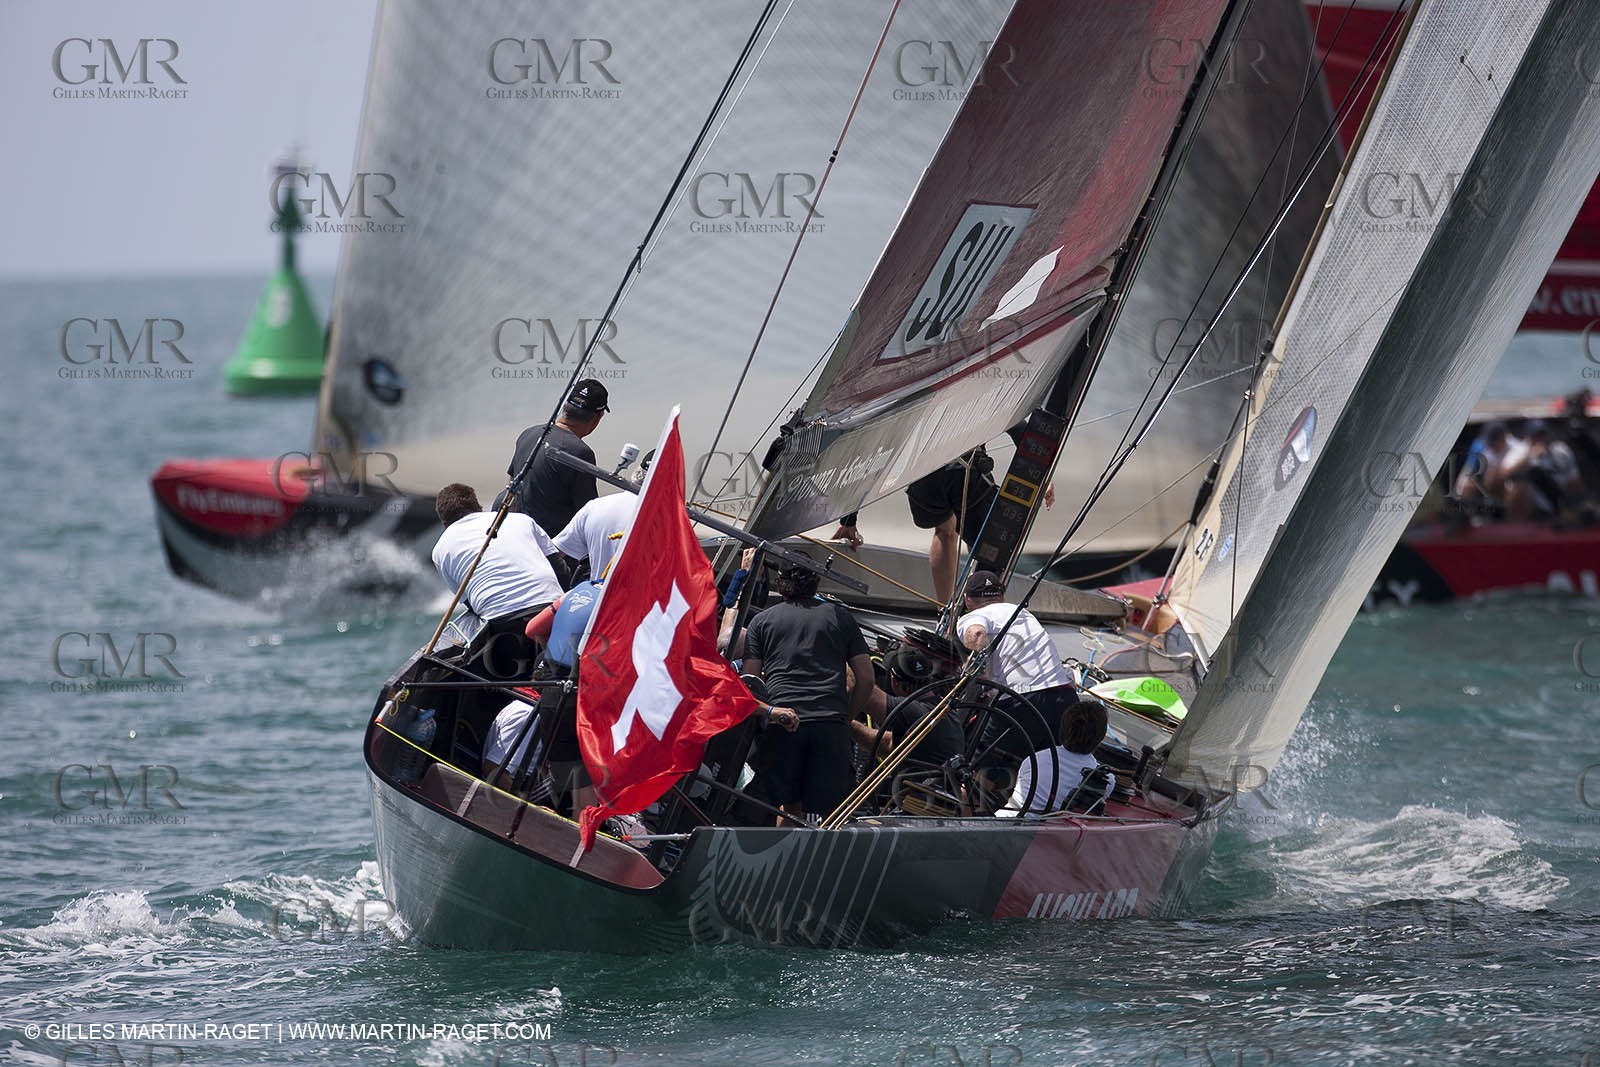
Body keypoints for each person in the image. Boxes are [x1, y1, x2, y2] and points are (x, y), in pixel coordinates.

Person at [742, 561, 877, 823]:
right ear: (815, 583)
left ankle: (786, 863)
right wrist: (846, 716)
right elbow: (867, 678)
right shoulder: (841, 617)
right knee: (832, 817)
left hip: (784, 723)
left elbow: (750, 682)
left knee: (788, 807)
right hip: (830, 725)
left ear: (780, 584)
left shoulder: (761, 622)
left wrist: (768, 713)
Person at [431, 483, 563, 678]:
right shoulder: (521, 520)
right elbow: (559, 566)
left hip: (504, 627)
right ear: (478, 508)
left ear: (444, 523)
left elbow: (471, 605)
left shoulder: (440, 549)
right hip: (552, 610)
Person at [503, 378, 610, 536]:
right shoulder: (581, 452)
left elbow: (511, 487)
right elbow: (588, 513)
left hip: (520, 535)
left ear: (566, 407)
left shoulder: (528, 434)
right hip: (553, 548)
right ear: (597, 418)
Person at [997, 699, 1115, 816]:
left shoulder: (1035, 759)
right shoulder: (1106, 780)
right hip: (1046, 832)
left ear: (1062, 728)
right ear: (1101, 737)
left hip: (1001, 821)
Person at [550, 449, 649, 578]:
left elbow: (552, 554)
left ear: (637, 473)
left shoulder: (595, 507)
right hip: (653, 597)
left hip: (600, 596)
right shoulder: (678, 519)